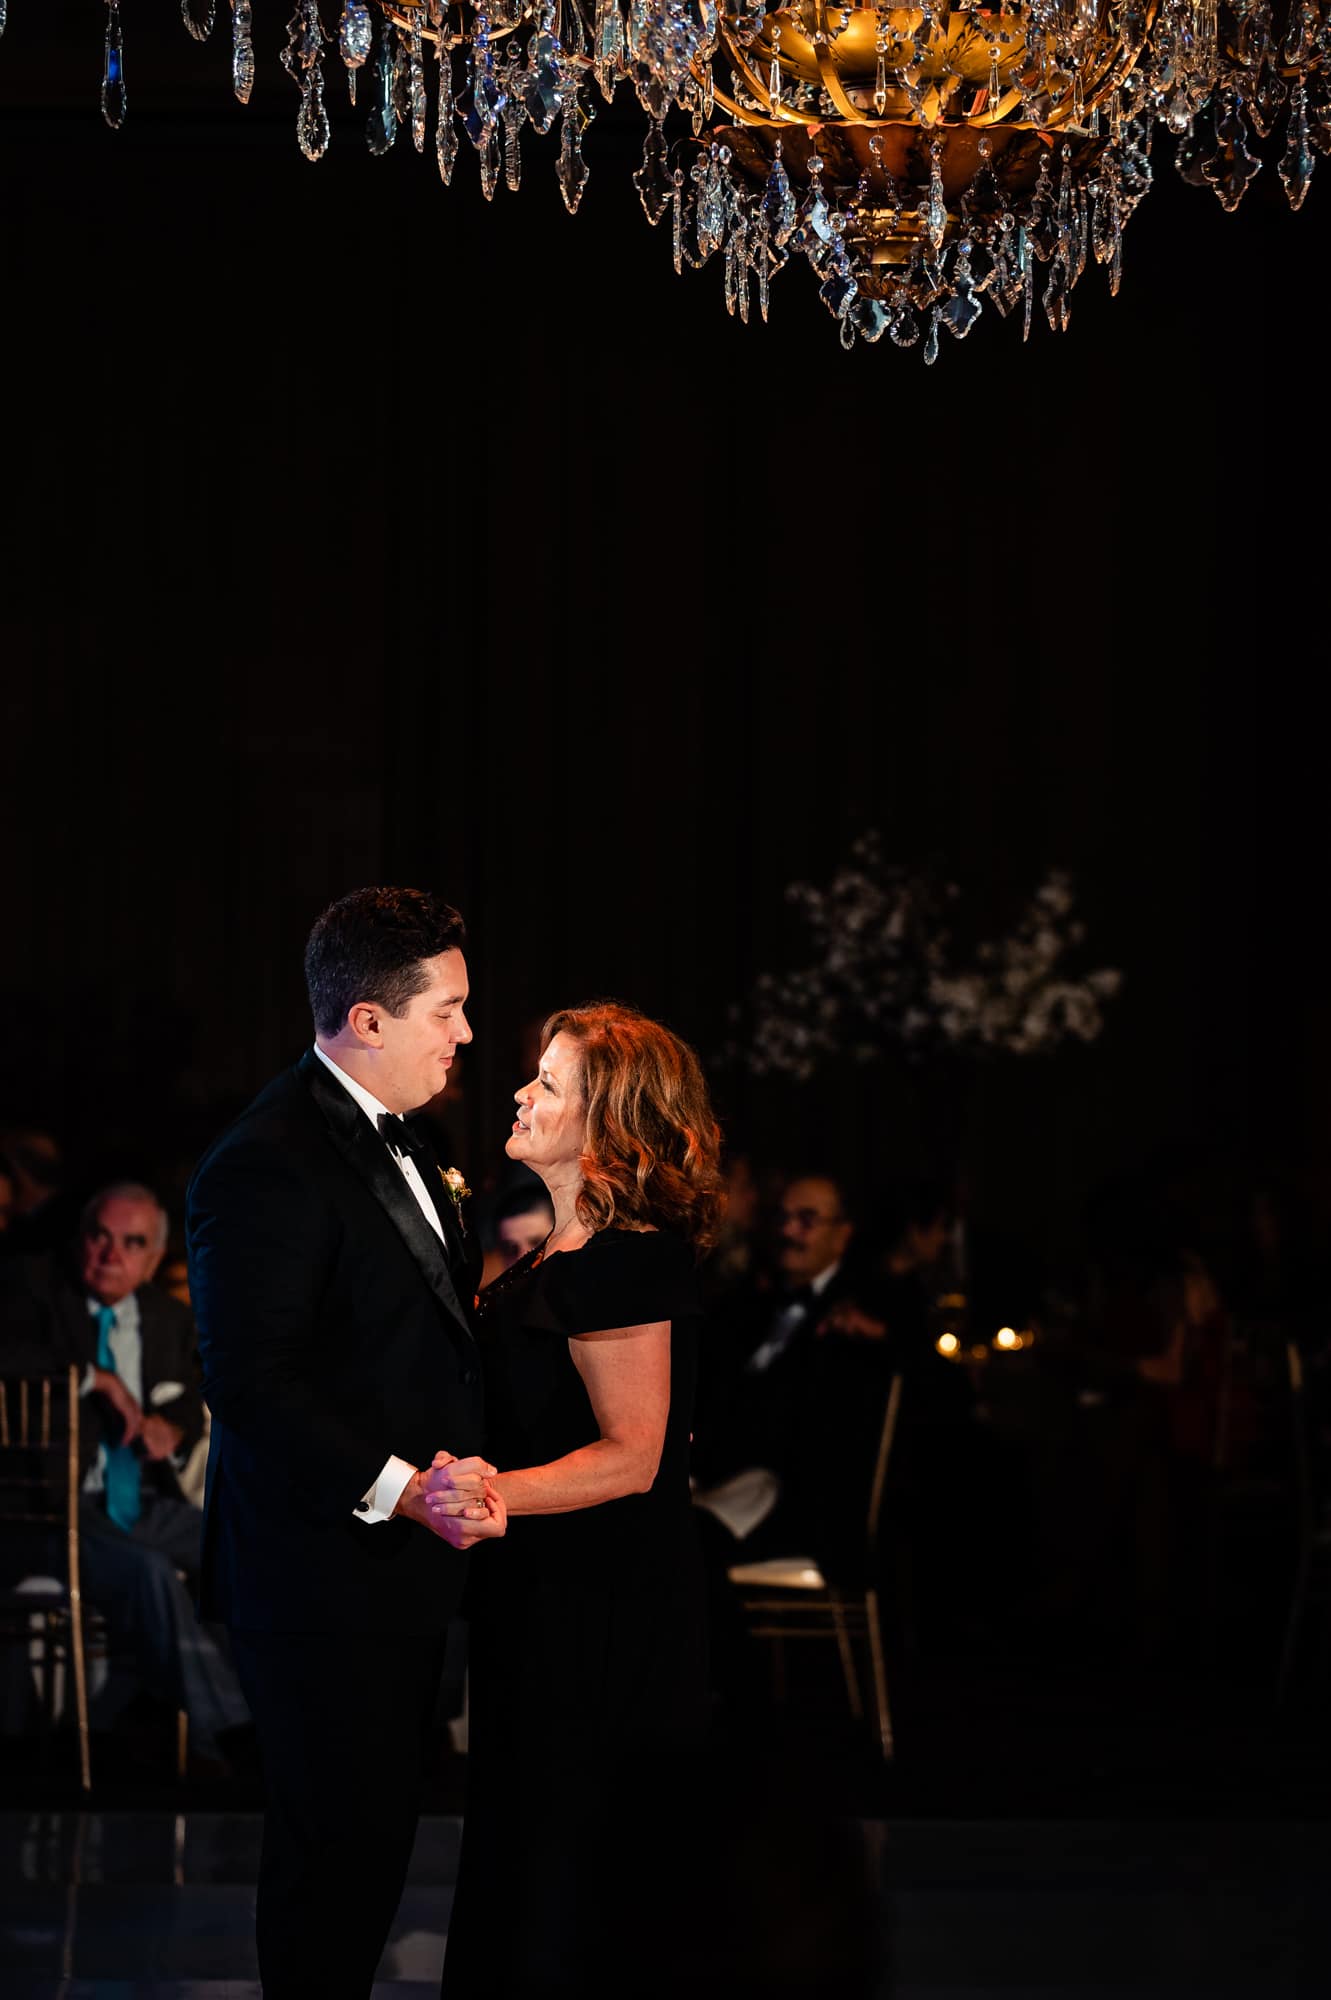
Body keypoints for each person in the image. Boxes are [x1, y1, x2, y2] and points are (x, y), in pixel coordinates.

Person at [185, 887, 505, 2000]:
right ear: (368, 1019)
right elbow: (251, 1382)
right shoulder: (266, 1157)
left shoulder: (411, 1137)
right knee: (333, 1860)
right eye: (447, 1009)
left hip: (399, 1568)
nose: (465, 1032)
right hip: (320, 1568)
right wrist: (403, 1488)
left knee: (372, 1850)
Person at [432, 1003, 724, 1999]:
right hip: (543, 1602)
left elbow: (633, 1456)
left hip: (600, 1614)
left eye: (548, 1084)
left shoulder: (627, 1260)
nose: (520, 1093)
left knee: (572, 1871)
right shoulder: (555, 1258)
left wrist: (479, 1494)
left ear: (606, 1127)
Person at [0, 1181, 251, 1760]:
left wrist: (175, 1425)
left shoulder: (167, 1317)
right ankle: (234, 1734)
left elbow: (189, 1394)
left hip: (138, 1498)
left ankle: (280, 1716)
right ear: (81, 1239)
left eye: (130, 1243)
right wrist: (94, 1378)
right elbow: (9, 1354)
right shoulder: (33, 1292)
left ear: (153, 1258)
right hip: (45, 1510)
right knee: (148, 1573)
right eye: (100, 1237)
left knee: (244, 1549)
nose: (110, 1255)